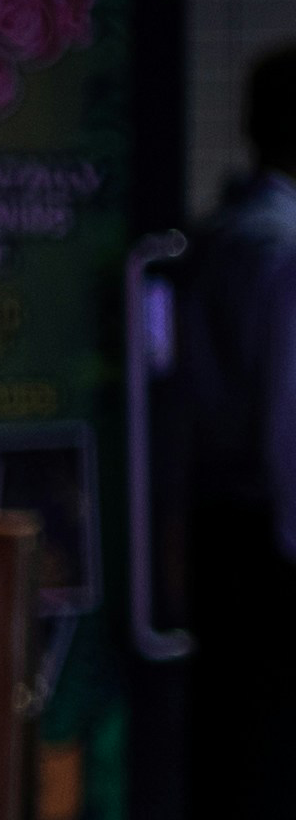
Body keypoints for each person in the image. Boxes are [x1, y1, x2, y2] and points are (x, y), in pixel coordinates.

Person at [192, 45, 296, 813]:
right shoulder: (284, 249)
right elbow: (287, 425)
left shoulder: (219, 235)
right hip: (271, 544)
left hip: (212, 531)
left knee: (229, 755)